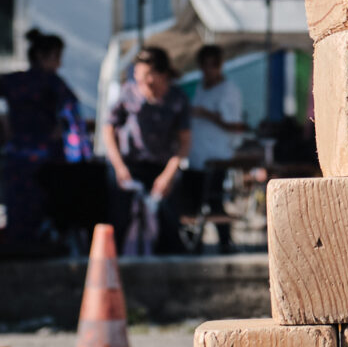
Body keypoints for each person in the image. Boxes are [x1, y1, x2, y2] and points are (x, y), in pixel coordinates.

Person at [0, 29, 87, 242]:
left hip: (17, 158)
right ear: (42, 56)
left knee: (19, 213)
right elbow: (72, 113)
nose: (59, 64)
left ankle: (19, 251)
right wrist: (69, 139)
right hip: (46, 160)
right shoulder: (52, 82)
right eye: (57, 57)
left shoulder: (12, 81)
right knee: (47, 212)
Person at [103, 46, 191, 254]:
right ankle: (115, 266)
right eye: (138, 76)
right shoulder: (128, 93)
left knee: (168, 219)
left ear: (161, 74)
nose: (143, 82)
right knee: (120, 217)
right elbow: (108, 129)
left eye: (147, 76)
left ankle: (170, 271)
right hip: (130, 163)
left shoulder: (177, 98)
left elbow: (184, 141)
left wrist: (168, 176)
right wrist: (118, 166)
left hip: (162, 164)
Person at [187, 44, 248, 252]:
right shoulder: (201, 87)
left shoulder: (229, 91)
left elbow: (237, 125)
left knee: (213, 202)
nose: (209, 70)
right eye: (205, 66)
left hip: (218, 155)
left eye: (213, 66)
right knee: (195, 203)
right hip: (197, 155)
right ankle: (195, 244)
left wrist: (208, 114)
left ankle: (225, 243)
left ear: (220, 66)